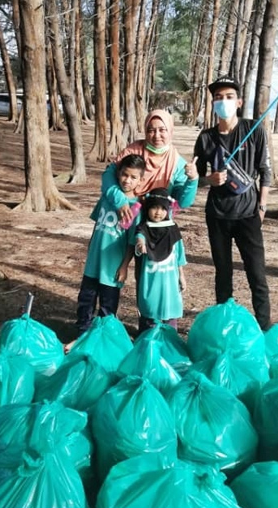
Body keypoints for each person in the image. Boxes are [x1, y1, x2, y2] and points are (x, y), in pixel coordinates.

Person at [193, 76, 272, 330]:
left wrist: (262, 207)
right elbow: (195, 178)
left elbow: (265, 171)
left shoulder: (254, 129)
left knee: (256, 275)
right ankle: (224, 327)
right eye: (218, 98)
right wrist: (210, 180)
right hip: (217, 216)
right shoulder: (206, 138)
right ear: (213, 103)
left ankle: (263, 328)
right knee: (223, 274)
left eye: (228, 97)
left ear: (238, 102)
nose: (223, 102)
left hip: (248, 215)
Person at [73, 154, 147, 338]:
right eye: (124, 174)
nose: (127, 180)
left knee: (108, 306)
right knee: (85, 300)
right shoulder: (107, 198)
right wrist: (91, 249)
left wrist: (124, 266)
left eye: (133, 177)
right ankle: (82, 336)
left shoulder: (136, 209)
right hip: (93, 263)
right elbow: (96, 226)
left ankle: (103, 339)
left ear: (140, 180)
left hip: (112, 268)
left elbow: (131, 242)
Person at [101, 109, 199, 227]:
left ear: (170, 131)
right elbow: (108, 175)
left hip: (153, 225)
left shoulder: (177, 163)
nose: (157, 135)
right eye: (151, 130)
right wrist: (120, 201)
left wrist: (192, 180)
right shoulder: (132, 151)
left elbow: (183, 202)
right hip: (123, 216)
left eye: (162, 130)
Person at [117, 189, 187, 333]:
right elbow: (140, 237)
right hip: (151, 282)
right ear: (147, 208)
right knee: (149, 313)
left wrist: (181, 275)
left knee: (170, 315)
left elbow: (179, 255)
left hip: (170, 283)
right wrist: (141, 244)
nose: (158, 212)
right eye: (154, 207)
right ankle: (145, 341)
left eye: (162, 208)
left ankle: (169, 342)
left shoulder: (173, 229)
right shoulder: (143, 228)